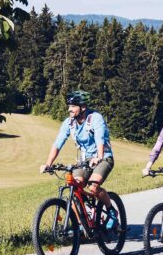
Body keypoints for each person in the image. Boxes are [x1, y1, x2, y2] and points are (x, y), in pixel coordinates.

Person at [40, 90, 118, 227]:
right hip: (84, 160)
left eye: (73, 106)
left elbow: (100, 138)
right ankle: (82, 223)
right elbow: (58, 143)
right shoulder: (69, 123)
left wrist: (98, 157)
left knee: (93, 187)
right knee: (73, 188)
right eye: (69, 106)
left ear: (82, 107)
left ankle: (111, 210)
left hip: (103, 157)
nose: (69, 109)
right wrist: (48, 164)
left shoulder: (95, 118)